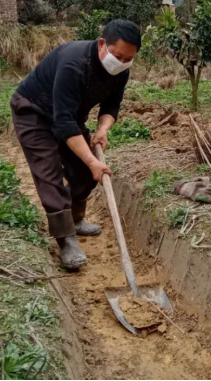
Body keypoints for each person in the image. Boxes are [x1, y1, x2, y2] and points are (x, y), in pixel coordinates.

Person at [10, 19, 140, 269]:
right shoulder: (74, 63)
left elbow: (111, 105)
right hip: (34, 112)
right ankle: (66, 239)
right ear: (102, 44)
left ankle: (75, 219)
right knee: (49, 174)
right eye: (118, 56)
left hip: (68, 116)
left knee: (85, 173)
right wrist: (92, 160)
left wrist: (103, 130)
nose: (122, 63)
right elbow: (63, 125)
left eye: (128, 59)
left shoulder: (120, 71)